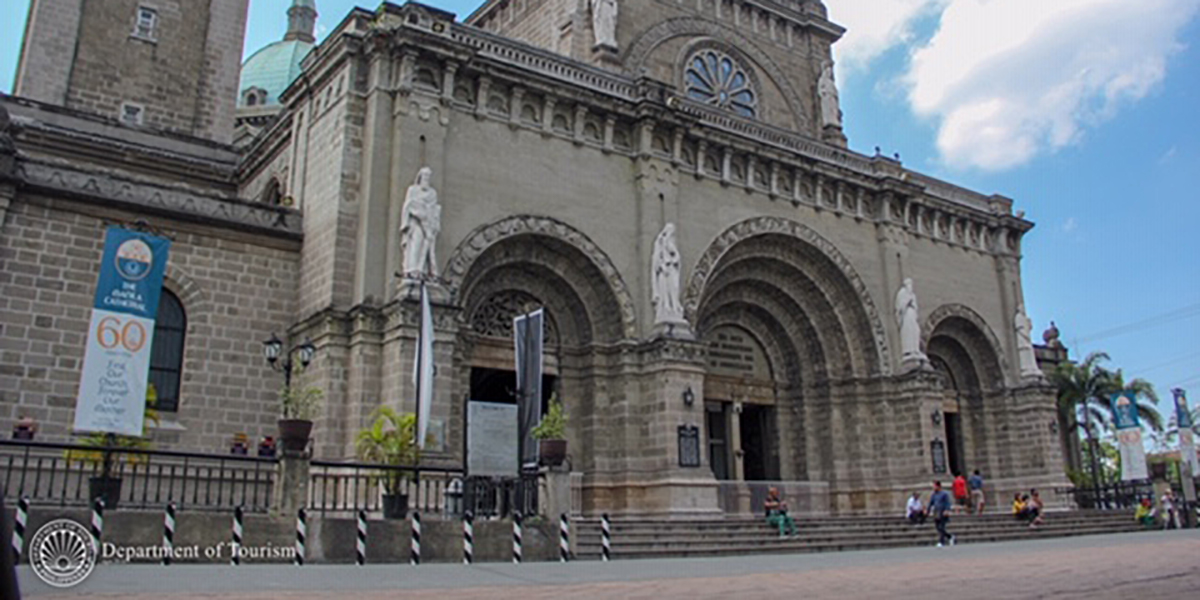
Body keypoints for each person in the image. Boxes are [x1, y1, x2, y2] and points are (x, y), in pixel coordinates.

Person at [926, 480, 955, 547]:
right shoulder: (934, 494)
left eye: (934, 486)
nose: (933, 487)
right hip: (936, 511)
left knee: (942, 526)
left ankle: (941, 542)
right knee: (938, 527)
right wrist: (928, 510)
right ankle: (950, 536)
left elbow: (948, 502)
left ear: (938, 486)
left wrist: (947, 510)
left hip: (943, 511)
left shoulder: (944, 494)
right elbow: (931, 503)